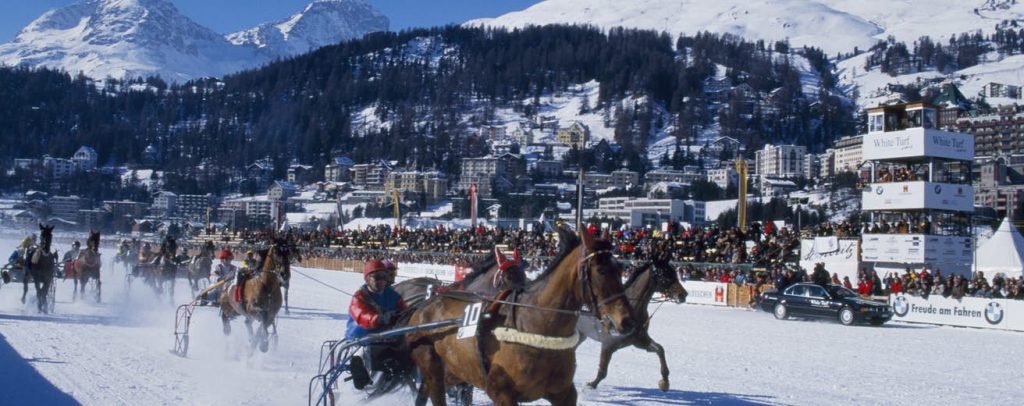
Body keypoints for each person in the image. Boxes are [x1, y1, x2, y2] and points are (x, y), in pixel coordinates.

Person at [345, 259, 408, 389]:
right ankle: (360, 375)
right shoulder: (360, 296)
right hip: (361, 338)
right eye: (377, 277)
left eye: (384, 277)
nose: (381, 281)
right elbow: (361, 316)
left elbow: (404, 312)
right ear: (367, 278)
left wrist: (401, 317)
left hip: (386, 337)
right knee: (362, 353)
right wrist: (380, 319)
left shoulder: (393, 295)